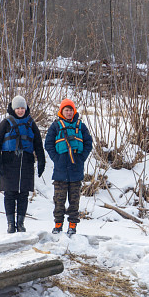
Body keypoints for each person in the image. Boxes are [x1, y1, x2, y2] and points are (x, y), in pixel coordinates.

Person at [0, 95, 46, 233]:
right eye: (18, 108)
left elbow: (38, 144)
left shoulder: (31, 123)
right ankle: (11, 224)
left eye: (23, 108)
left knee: (23, 194)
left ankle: (20, 224)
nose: (21, 110)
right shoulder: (6, 122)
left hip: (26, 162)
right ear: (13, 109)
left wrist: (41, 161)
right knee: (9, 194)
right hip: (9, 162)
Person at [44, 98, 93, 235]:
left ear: (74, 111)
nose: (69, 112)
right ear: (62, 111)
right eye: (66, 110)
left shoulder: (81, 126)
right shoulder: (55, 126)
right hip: (60, 171)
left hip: (76, 170)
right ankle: (58, 225)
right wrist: (56, 158)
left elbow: (89, 143)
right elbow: (48, 144)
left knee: (74, 201)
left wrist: (81, 158)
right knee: (59, 201)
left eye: (71, 110)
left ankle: (72, 226)